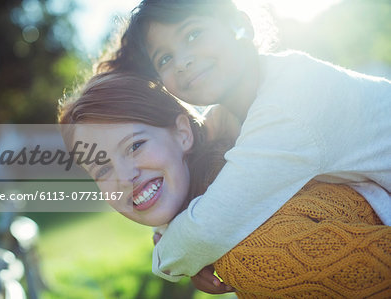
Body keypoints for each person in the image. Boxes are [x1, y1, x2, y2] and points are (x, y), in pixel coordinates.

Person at [97, 0, 391, 284]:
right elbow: (186, 180)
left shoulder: (288, 103)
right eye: (164, 58)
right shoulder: (230, 112)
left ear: (241, 25)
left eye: (193, 34)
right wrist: (178, 240)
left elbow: (208, 231)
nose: (183, 61)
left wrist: (168, 255)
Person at [58, 72, 391, 297]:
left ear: (182, 133)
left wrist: (174, 251)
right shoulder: (218, 189)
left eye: (135, 145)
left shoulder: (249, 250)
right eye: (101, 169)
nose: (124, 176)